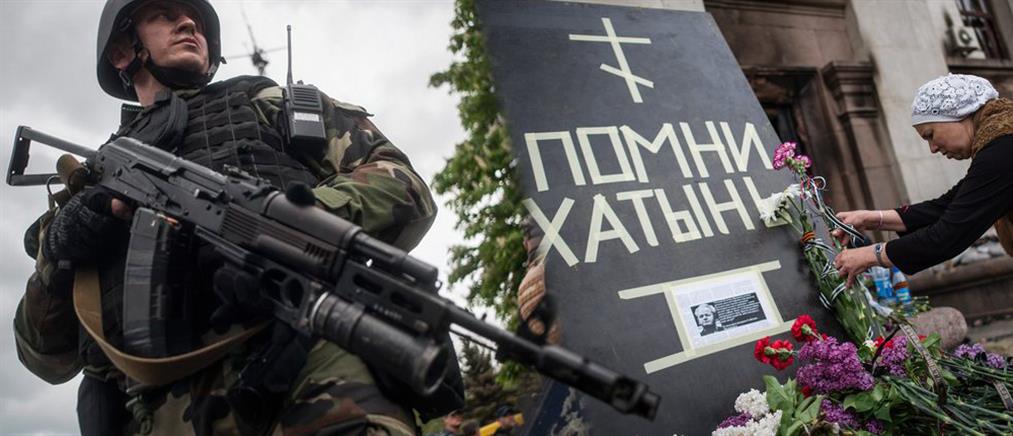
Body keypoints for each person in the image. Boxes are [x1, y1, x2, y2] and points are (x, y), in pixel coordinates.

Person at [13, 0, 461, 434]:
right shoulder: (95, 182)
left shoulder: (269, 103)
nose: (189, 23)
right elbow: (44, 358)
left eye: (194, 19)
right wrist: (58, 256)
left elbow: (403, 185)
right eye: (164, 14)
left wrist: (293, 224)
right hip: (160, 410)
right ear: (120, 51)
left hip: (311, 373)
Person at [833, 74, 1013, 286]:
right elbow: (944, 206)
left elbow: (948, 235)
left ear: (958, 114)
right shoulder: (999, 143)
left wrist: (870, 255)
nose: (933, 148)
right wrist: (870, 219)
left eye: (930, 134)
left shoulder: (1002, 150)